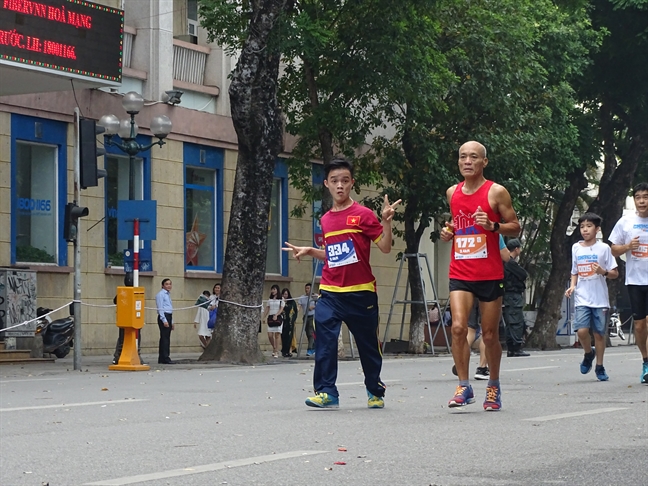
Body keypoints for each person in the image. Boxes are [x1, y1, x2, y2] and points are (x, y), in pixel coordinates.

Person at [283, 157, 401, 409]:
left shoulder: (364, 215)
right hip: (330, 292)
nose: (339, 186)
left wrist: (386, 222)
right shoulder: (325, 219)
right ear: (326, 184)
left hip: (361, 294)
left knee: (368, 347)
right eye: (334, 181)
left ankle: (374, 389)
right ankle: (327, 392)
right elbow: (334, 255)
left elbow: (385, 247)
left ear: (351, 184)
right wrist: (310, 250)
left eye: (344, 181)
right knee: (324, 341)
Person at [440, 141, 520, 411]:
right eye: (462, 156)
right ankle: (463, 385)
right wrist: (447, 232)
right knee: (459, 328)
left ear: (484, 162)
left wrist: (494, 226)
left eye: (474, 157)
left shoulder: (496, 192)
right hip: (460, 270)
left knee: (488, 335)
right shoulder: (452, 192)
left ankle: (493, 386)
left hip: (489, 273)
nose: (467, 161)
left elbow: (515, 227)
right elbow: (455, 224)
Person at [565, 212, 618, 381]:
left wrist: (603, 272)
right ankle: (589, 353)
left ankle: (600, 366)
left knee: (599, 334)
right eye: (582, 227)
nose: (585, 230)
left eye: (588, 226)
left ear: (597, 229)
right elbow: (574, 271)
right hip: (582, 296)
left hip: (600, 298)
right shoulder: (576, 247)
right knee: (581, 331)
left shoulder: (604, 248)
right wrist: (573, 286)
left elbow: (614, 273)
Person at [452, 235, 511, 380]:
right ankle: (481, 367)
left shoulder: (477, 229)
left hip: (482, 282)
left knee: (476, 330)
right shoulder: (493, 233)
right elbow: (506, 256)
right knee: (468, 329)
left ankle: (485, 374)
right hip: (470, 282)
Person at [609, 182, 648, 384]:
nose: (642, 201)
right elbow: (613, 249)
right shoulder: (626, 222)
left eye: (646, 197)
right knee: (640, 326)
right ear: (634, 200)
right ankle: (645, 362)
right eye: (639, 197)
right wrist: (627, 246)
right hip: (635, 280)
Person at [503, 238, 530, 357]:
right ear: (516, 249)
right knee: (516, 321)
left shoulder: (507, 261)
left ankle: (511, 348)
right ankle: (515, 347)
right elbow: (523, 274)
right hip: (513, 295)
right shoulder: (509, 262)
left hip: (509, 295)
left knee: (511, 322)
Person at [155, 278, 175, 364]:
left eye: (170, 284)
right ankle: (165, 357)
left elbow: (170, 308)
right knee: (165, 338)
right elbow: (160, 308)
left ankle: (163, 357)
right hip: (164, 316)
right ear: (163, 285)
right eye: (166, 284)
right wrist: (164, 320)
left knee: (166, 338)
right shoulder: (161, 294)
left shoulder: (168, 295)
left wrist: (172, 321)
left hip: (169, 316)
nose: (169, 286)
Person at [263, 284, 285, 358]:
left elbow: (281, 308)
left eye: (274, 289)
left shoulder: (281, 299)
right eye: (272, 289)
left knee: (277, 335)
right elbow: (267, 308)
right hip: (271, 317)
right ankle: (274, 347)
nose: (273, 291)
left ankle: (276, 351)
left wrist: (276, 314)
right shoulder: (270, 300)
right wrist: (263, 317)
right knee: (270, 335)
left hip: (278, 317)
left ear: (277, 290)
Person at [297, 283, 317, 356]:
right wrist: (297, 309)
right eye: (306, 288)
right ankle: (314, 346)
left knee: (311, 332)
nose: (307, 290)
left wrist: (313, 307)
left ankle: (310, 349)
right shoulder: (302, 297)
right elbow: (299, 305)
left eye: (308, 288)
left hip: (313, 316)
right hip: (305, 317)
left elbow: (321, 304)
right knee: (308, 333)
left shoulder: (315, 297)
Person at [281, 288, 298, 357]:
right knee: (283, 337)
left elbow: (294, 311)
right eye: (284, 294)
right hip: (283, 322)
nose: (285, 296)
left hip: (290, 322)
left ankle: (289, 351)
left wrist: (293, 320)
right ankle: (284, 351)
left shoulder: (292, 302)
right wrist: (283, 303)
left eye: (286, 294)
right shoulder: (281, 301)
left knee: (289, 337)